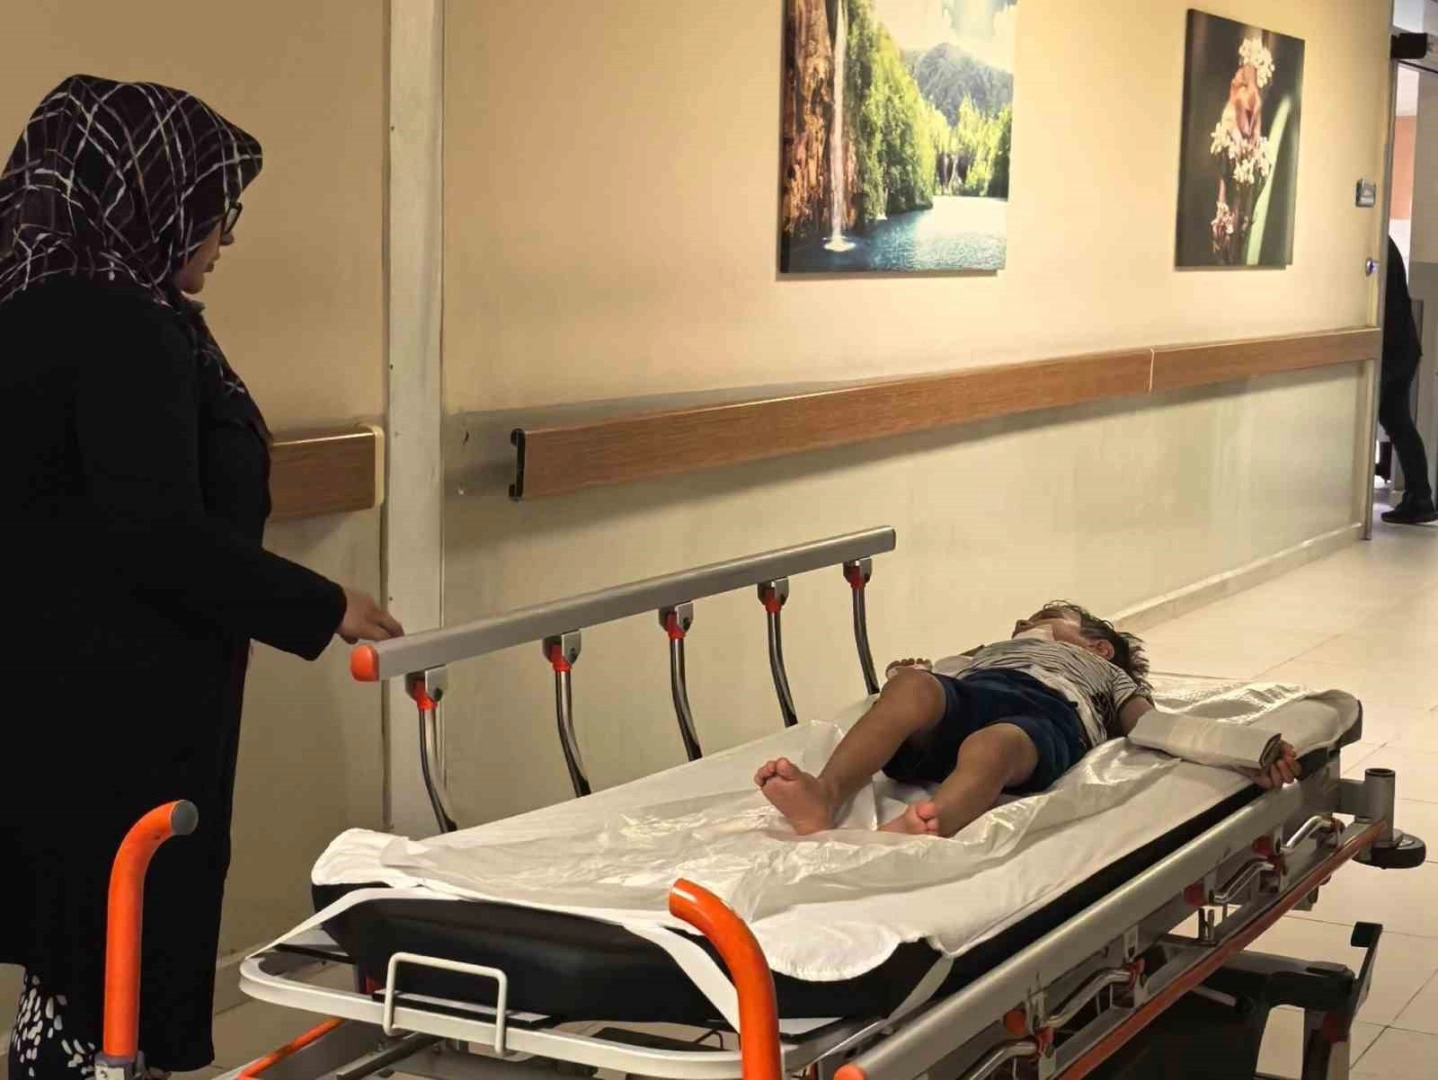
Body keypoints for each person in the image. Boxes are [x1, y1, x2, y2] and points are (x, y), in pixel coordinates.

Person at [0, 76, 403, 1079]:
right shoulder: (122, 325)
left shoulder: (29, 305)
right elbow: (157, 535)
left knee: (71, 970)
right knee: (113, 972)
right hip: (121, 711)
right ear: (152, 194)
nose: (224, 236)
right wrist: (326, 604)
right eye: (217, 207)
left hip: (47, 701)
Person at [756, 603, 1299, 838]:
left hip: (1049, 714)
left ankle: (931, 822)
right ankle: (825, 794)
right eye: (1023, 621)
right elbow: (921, 695)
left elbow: (1151, 726)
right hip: (973, 694)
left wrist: (1246, 750)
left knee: (994, 746)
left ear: (1099, 647)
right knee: (913, 690)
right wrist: (906, 677)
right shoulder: (987, 652)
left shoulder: (1106, 674)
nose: (1024, 624)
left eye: (1046, 620)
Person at [1379, 237, 1436, 525]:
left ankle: (1420, 498)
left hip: (1390, 348)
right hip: (1402, 345)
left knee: (1396, 422)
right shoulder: (1383, 242)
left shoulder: (1374, 242)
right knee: (1399, 423)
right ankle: (1420, 497)